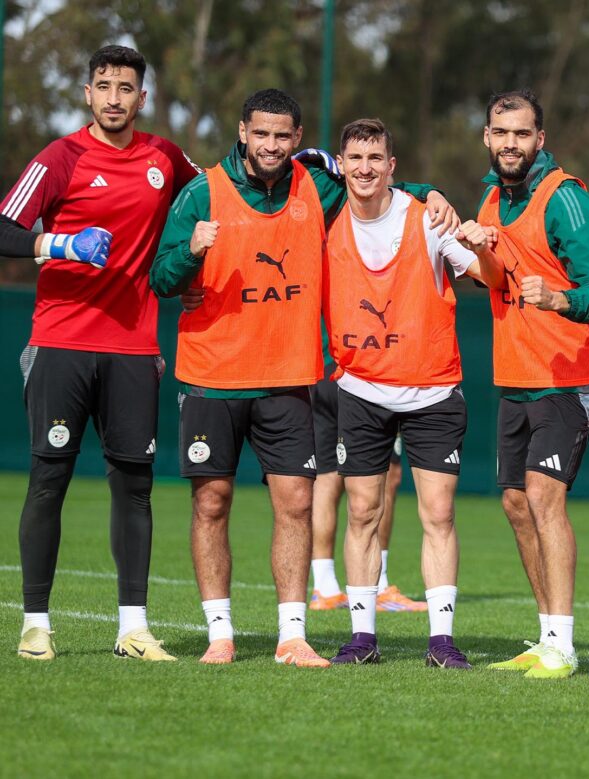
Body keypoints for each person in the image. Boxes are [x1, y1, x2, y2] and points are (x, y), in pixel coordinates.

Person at [150, 90, 453, 666]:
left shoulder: (315, 185)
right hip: (213, 377)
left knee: (295, 503)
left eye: (282, 136)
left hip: (290, 378)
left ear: (297, 138)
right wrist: (190, 252)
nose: (270, 145)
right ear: (243, 132)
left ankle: (293, 636)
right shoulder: (201, 193)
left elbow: (377, 189)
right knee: (211, 502)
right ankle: (221, 634)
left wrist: (429, 193)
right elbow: (161, 278)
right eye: (260, 134)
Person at [0, 45, 200, 662]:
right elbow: (5, 228)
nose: (116, 97)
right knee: (48, 481)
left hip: (134, 350)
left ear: (143, 97)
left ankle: (133, 629)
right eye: (104, 86)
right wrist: (59, 243)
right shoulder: (60, 157)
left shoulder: (165, 158)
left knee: (135, 487)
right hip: (60, 342)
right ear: (87, 93)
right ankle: (36, 625)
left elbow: (221, 194)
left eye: (127, 88)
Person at [322, 117, 500, 667]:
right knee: (362, 512)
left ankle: (442, 642)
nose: (366, 168)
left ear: (392, 166)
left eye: (376, 158)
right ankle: (362, 637)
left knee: (438, 515)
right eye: (355, 158)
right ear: (342, 164)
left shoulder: (428, 218)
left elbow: (490, 278)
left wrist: (482, 245)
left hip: (432, 391)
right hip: (360, 388)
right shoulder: (325, 221)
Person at [465, 89, 589, 679]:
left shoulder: (567, 201)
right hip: (518, 375)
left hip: (570, 374)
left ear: (540, 140)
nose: (511, 144)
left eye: (522, 134)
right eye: (502, 133)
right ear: (487, 137)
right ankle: (546, 635)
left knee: (544, 498)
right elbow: (495, 280)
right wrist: (479, 255)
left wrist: (557, 298)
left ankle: (565, 645)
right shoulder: (488, 201)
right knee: (514, 502)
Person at [308, 382, 426, 614]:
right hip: (368, 378)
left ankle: (324, 587)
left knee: (326, 477)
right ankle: (379, 587)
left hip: (325, 375)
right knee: (385, 474)